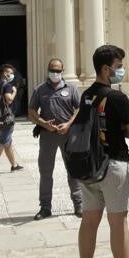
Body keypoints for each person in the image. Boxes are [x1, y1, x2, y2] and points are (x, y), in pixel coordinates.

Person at [71, 44, 129, 258]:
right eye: (119, 67)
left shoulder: (86, 95)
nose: (121, 71)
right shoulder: (118, 98)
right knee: (118, 221)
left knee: (89, 222)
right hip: (114, 164)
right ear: (106, 68)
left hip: (89, 166)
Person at [28, 58, 82, 220]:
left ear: (63, 70)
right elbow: (31, 111)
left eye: (58, 70)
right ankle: (45, 207)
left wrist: (69, 123)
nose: (55, 73)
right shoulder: (40, 90)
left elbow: (79, 109)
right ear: (47, 70)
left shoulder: (71, 89)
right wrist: (43, 123)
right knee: (45, 172)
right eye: (52, 70)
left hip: (68, 135)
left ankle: (79, 205)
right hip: (47, 135)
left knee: (73, 171)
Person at [0, 63, 22, 176]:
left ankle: (14, 165)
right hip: (7, 118)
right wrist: (15, 91)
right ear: (5, 73)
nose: (12, 75)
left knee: (8, 142)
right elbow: (9, 99)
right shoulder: (7, 85)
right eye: (10, 73)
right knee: (2, 142)